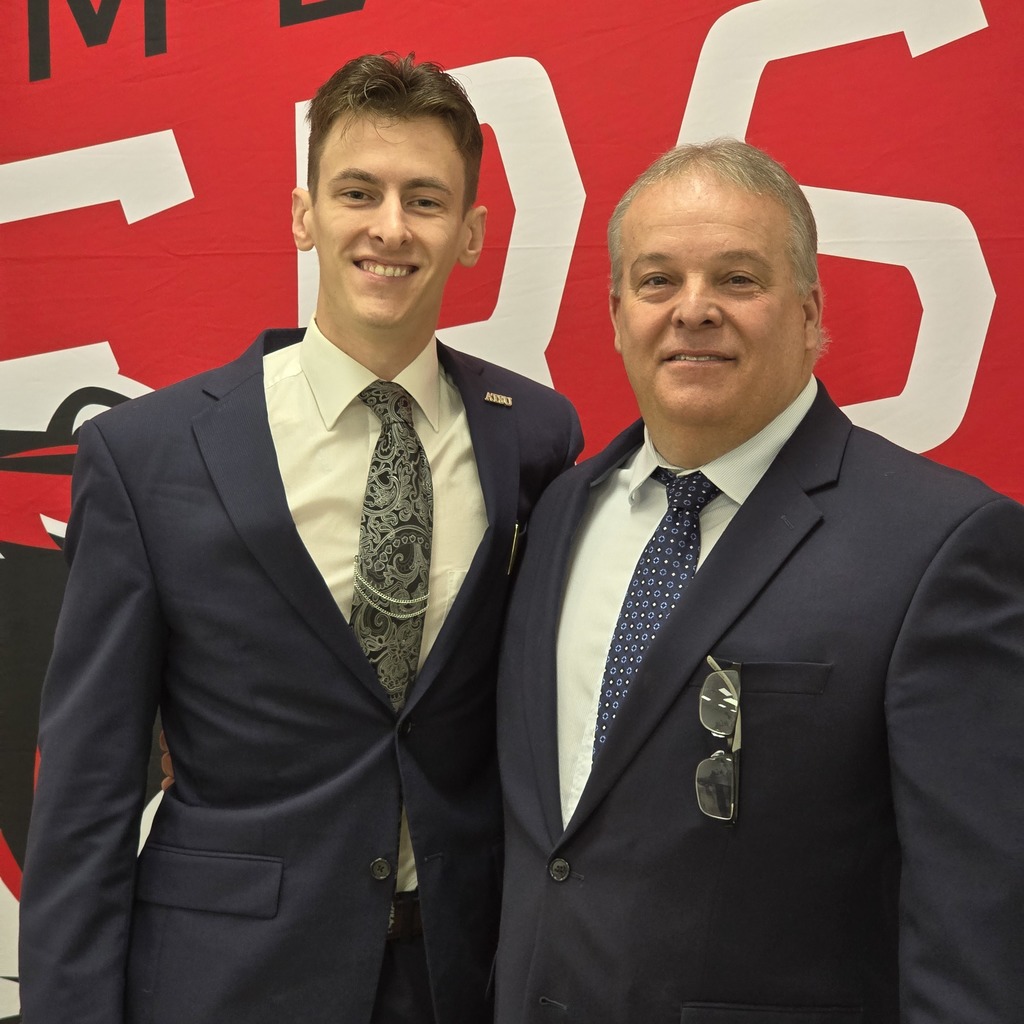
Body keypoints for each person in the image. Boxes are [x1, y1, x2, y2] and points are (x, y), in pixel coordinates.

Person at [19, 53, 582, 1024]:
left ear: (475, 232)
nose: (390, 228)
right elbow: (85, 798)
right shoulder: (148, 455)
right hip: (224, 980)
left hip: (456, 974)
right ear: (302, 213)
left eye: (426, 199)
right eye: (357, 192)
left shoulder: (533, 437)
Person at [493, 138, 1024, 1022]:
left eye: (738, 280)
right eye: (658, 281)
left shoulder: (943, 547)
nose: (692, 310)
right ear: (618, 314)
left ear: (812, 314)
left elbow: (981, 923)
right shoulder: (556, 515)